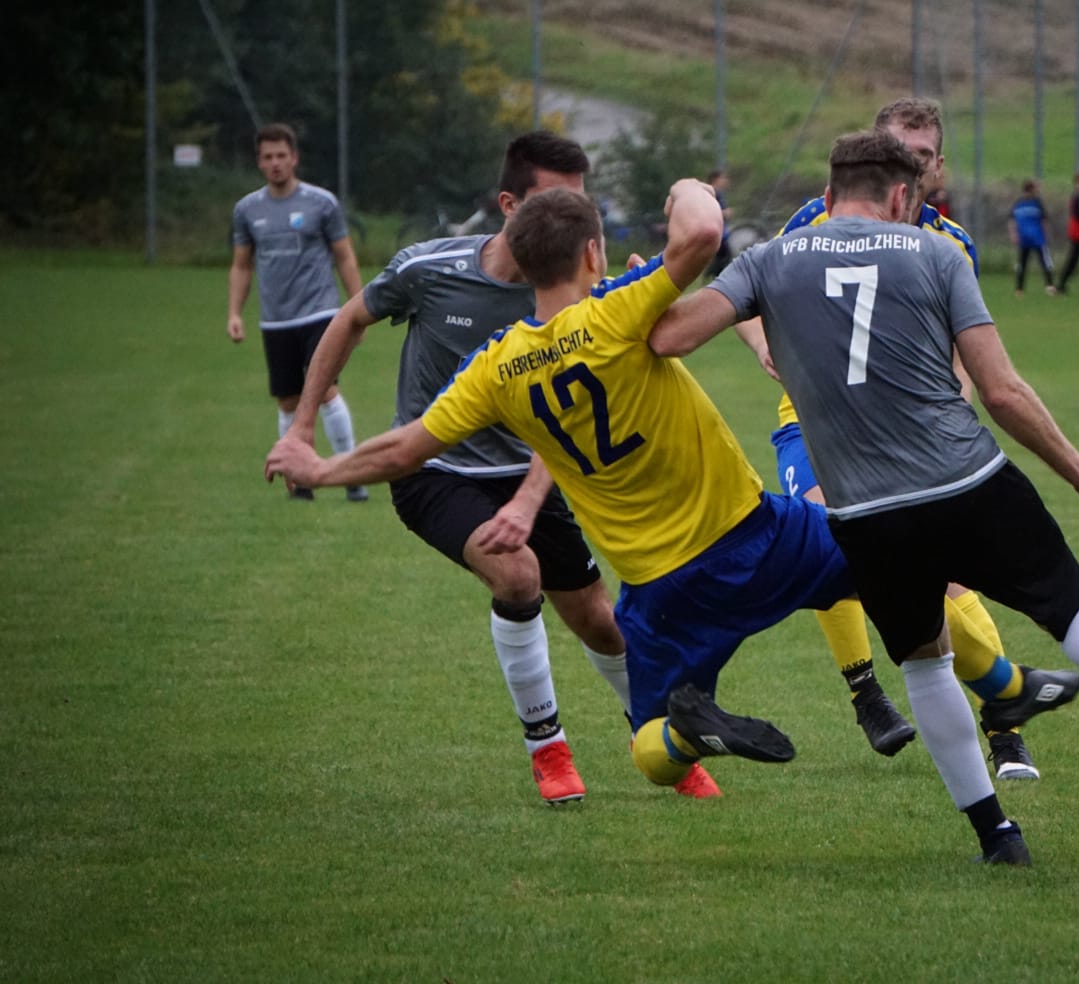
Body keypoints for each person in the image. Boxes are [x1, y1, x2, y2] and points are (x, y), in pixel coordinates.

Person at [652, 130, 1079, 863]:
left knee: (927, 664)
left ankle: (997, 836)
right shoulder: (936, 253)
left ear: (830, 190)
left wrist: (653, 279)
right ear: (903, 196)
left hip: (865, 513)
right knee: (1072, 607)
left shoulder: (769, 259)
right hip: (967, 481)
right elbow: (1001, 391)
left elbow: (668, 339)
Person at [281, 131, 715, 803]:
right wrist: (304, 426)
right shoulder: (429, 270)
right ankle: (549, 751)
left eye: (580, 204)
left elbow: (574, 413)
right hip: (432, 472)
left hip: (531, 474)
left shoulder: (580, 299)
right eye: (552, 201)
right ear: (509, 205)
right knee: (517, 576)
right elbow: (349, 321)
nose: (572, 221)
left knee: (600, 621)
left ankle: (660, 742)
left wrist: (527, 499)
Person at [752, 97, 1060, 782]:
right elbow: (749, 290)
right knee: (826, 531)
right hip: (814, 422)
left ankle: (1003, 718)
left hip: (910, 429)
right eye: (896, 150)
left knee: (947, 573)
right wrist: (765, 347)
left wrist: (953, 404)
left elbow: (965, 354)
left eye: (921, 157)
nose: (908, 166)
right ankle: (867, 691)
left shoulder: (950, 245)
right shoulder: (815, 221)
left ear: (937, 167)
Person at [227, 122, 366, 502]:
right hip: (275, 320)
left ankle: (351, 473)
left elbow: (344, 256)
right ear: (259, 162)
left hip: (320, 313)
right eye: (268, 157)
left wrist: (359, 307)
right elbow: (242, 265)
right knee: (288, 400)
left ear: (294, 158)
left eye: (281, 156)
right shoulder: (247, 210)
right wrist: (234, 313)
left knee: (324, 390)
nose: (275, 163)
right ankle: (299, 479)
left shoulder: (321, 203)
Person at [1008, 179, 1056, 297]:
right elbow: (1012, 220)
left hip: (1033, 238)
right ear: (1030, 190)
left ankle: (1046, 286)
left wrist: (1013, 234)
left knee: (1040, 262)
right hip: (1033, 238)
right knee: (1026, 263)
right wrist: (1014, 234)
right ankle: (1021, 289)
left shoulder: (1031, 203)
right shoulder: (1032, 203)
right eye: (1036, 188)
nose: (1038, 191)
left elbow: (1043, 219)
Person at [702, 169, 735, 279]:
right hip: (717, 232)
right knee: (725, 257)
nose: (725, 181)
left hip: (720, 232)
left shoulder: (717, 193)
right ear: (715, 179)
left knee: (723, 257)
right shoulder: (713, 193)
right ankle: (713, 276)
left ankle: (712, 277)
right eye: (723, 178)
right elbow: (709, 211)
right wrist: (725, 213)